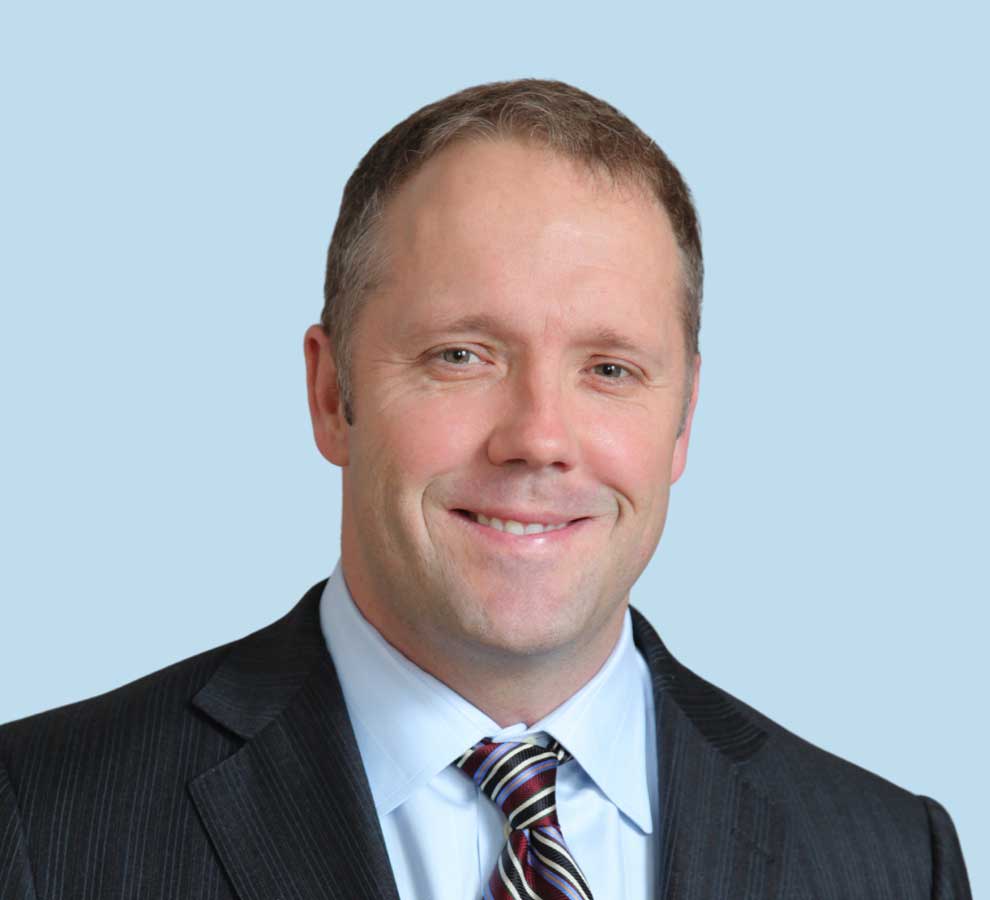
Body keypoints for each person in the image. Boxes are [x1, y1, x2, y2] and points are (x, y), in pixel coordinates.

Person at [0, 79, 971, 900]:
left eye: (611, 370)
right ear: (332, 394)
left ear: (684, 419)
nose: (539, 438)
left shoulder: (890, 863)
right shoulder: (41, 827)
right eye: (462, 355)